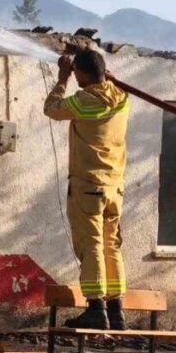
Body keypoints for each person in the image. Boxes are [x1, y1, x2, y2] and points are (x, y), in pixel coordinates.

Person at [44, 49, 130, 330]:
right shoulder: (122, 98)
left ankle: (96, 307)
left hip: (88, 186)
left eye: (76, 72)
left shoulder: (85, 101)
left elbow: (52, 109)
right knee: (111, 246)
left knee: (91, 246)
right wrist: (109, 79)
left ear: (80, 73)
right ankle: (116, 309)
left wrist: (62, 78)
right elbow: (112, 86)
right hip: (115, 187)